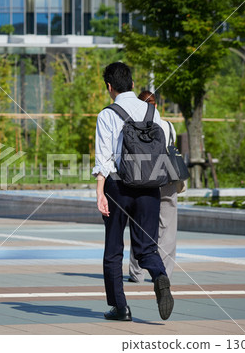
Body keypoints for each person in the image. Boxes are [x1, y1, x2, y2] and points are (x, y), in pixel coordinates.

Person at [92, 62, 174, 322]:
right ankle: (160, 277)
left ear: (109, 87)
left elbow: (104, 158)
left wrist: (100, 192)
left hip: (119, 186)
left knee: (114, 249)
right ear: (133, 84)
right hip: (150, 187)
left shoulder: (107, 114)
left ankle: (120, 308)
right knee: (147, 247)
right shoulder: (152, 112)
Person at [128, 91, 179, 282]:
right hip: (167, 177)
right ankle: (163, 273)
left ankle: (137, 272)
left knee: (140, 222)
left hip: (143, 178)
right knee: (168, 226)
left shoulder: (131, 125)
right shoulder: (167, 125)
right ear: (156, 106)